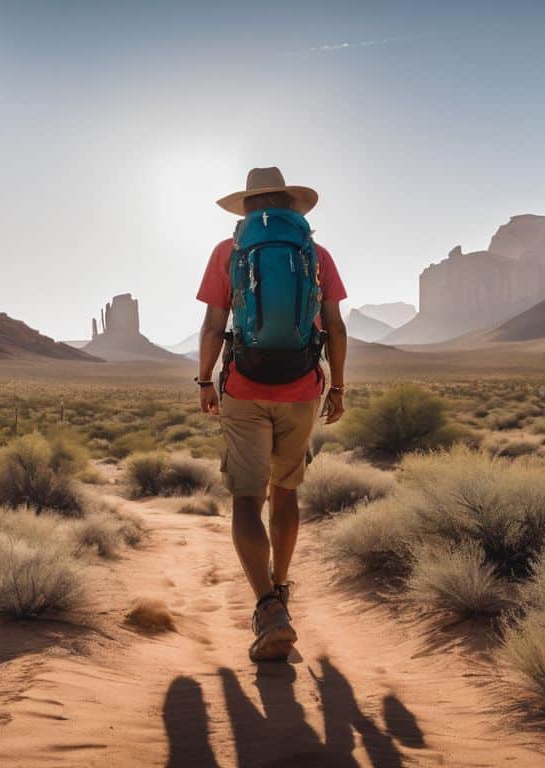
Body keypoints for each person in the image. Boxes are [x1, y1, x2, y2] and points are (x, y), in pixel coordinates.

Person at [194, 166, 347, 662]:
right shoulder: (315, 254)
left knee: (246, 500)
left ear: (248, 207)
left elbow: (215, 324)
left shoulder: (229, 251)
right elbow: (337, 327)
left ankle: (265, 606)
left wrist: (203, 380)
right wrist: (338, 387)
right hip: (302, 387)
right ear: (289, 205)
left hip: (244, 387)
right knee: (286, 493)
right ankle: (280, 590)